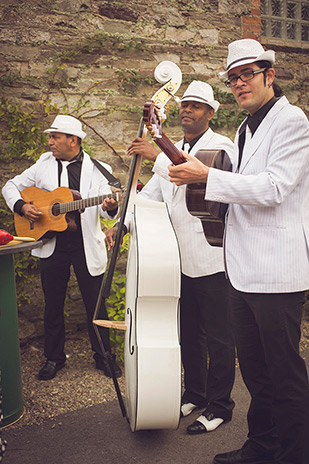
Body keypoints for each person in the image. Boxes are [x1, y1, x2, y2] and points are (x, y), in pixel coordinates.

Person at [168, 39, 309, 464]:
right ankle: (262, 446)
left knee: (283, 373)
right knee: (255, 372)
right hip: (241, 270)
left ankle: (296, 452)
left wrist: (206, 175)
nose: (240, 83)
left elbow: (274, 187)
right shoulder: (247, 127)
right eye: (232, 78)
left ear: (269, 74)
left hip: (277, 269)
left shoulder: (292, 121)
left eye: (248, 73)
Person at [106, 81, 235, 434]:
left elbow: (192, 178)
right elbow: (153, 196)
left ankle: (221, 405)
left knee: (221, 337)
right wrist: (122, 220)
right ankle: (196, 393)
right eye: (185, 105)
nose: (187, 110)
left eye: (196, 106)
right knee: (189, 334)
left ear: (211, 113)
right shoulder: (172, 147)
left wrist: (156, 153)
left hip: (214, 259)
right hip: (179, 260)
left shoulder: (221, 147)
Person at [2, 115, 122, 381]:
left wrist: (111, 208)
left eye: (55, 137)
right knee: (52, 304)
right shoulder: (42, 165)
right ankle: (54, 358)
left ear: (73, 140)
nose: (50, 141)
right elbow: (10, 186)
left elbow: (107, 214)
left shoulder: (100, 169)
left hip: (84, 245)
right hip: (52, 244)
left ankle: (104, 356)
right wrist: (22, 206)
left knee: (95, 304)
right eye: (50, 136)